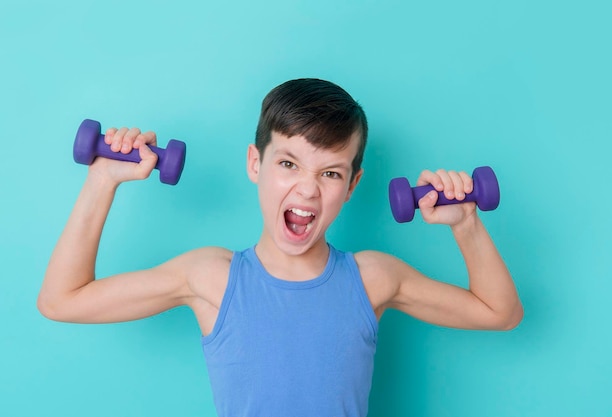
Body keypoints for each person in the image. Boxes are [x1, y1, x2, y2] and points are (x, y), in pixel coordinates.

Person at [38, 78, 523, 417]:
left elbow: (499, 312)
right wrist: (102, 181)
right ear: (255, 163)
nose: (308, 190)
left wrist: (466, 224)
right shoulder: (211, 276)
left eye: (330, 173)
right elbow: (62, 300)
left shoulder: (374, 277)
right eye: (288, 164)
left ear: (352, 185)